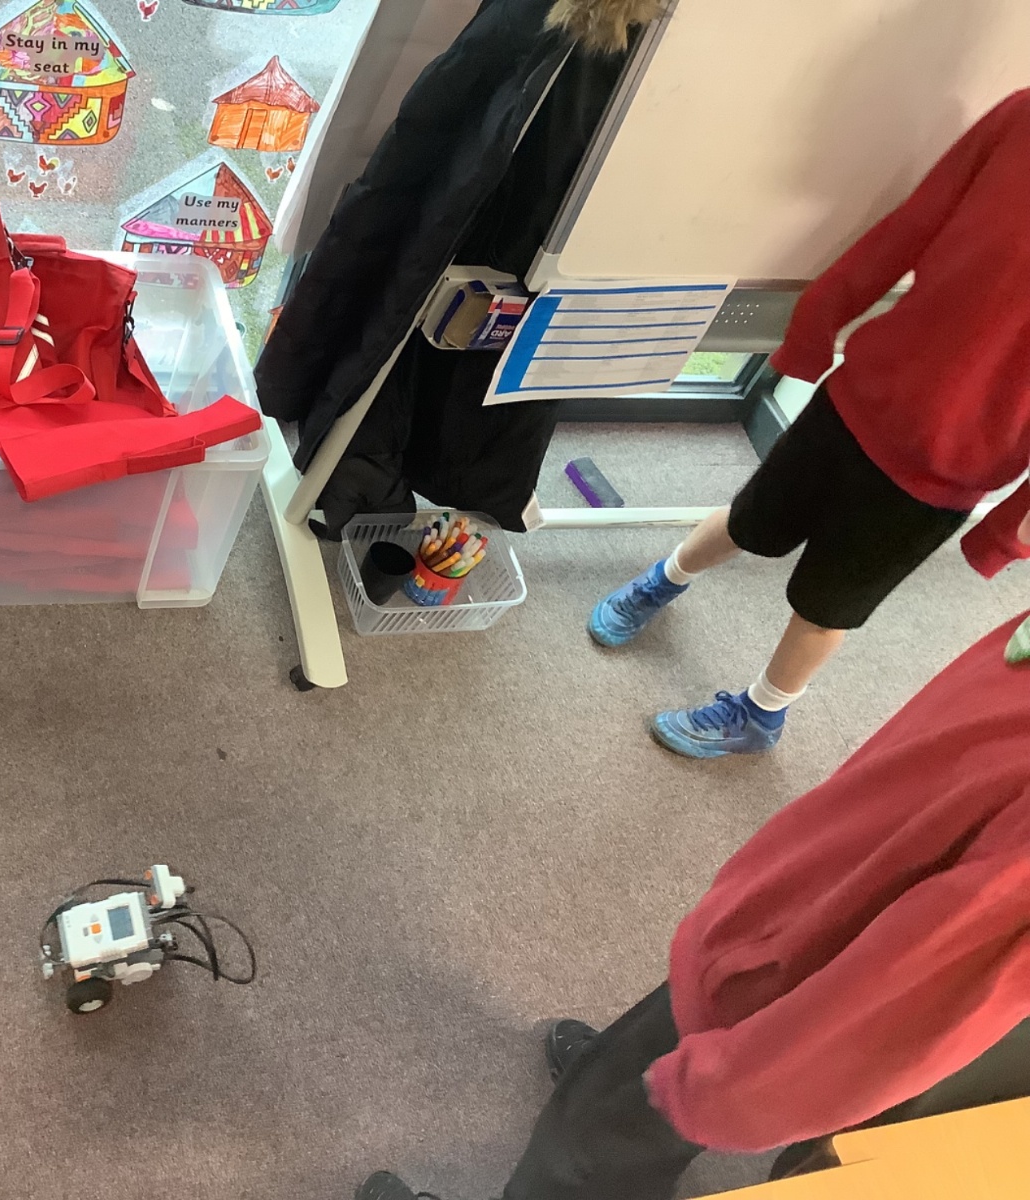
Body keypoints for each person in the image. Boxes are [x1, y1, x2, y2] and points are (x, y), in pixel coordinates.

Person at [360, 605, 1030, 1200]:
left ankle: (626, 1124)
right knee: (647, 1077)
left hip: (792, 980)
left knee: (600, 1144)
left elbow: (919, 991)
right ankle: (640, 1094)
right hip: (797, 921)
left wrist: (725, 1087)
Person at [587, 89, 1030, 758]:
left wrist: (1007, 532)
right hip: (861, 398)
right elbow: (914, 225)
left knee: (826, 605)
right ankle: (664, 578)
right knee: (749, 520)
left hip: (942, 475)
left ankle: (761, 715)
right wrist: (817, 323)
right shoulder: (1021, 118)